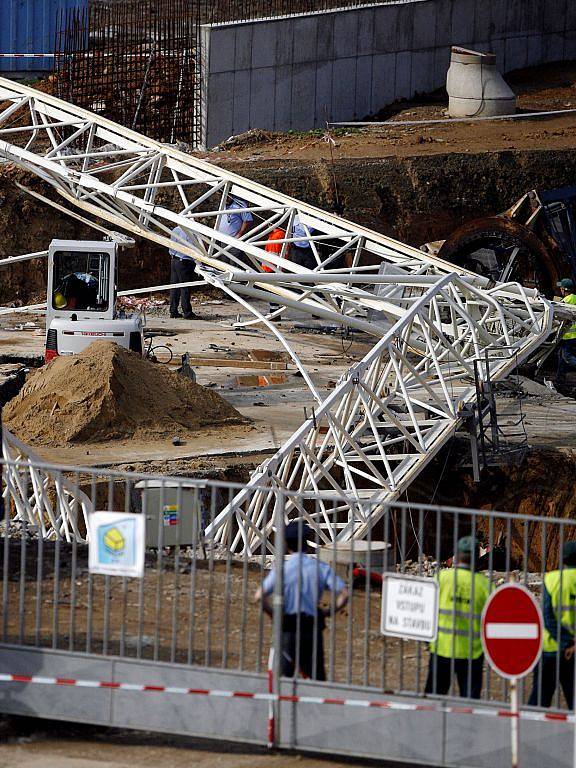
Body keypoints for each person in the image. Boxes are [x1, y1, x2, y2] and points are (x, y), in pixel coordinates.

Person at [254, 521, 348, 680]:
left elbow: (259, 596)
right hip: (311, 628)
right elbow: (344, 593)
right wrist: (327, 612)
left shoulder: (282, 569)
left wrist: (274, 612)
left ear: (286, 545)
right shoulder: (320, 568)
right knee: (315, 677)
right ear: (306, 543)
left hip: (288, 627)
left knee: (283, 678)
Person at [425, 536, 490, 699]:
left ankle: (428, 724)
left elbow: (426, 612)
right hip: (471, 654)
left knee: (434, 699)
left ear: (457, 555)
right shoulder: (485, 586)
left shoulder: (442, 579)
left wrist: (428, 641)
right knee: (469, 704)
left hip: (441, 649)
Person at [528, 541, 576, 709]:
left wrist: (565, 642)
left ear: (563, 559)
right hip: (573, 653)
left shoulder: (552, 579)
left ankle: (530, 730)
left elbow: (548, 617)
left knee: (539, 702)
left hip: (550, 650)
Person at [169, 226, 199, 319]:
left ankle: (173, 311)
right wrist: (199, 263)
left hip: (174, 259)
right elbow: (193, 249)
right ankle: (187, 312)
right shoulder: (190, 232)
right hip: (184, 261)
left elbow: (171, 244)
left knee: (174, 287)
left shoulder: (175, 229)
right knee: (185, 288)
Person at [217, 195, 253, 266]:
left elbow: (247, 220)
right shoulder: (222, 204)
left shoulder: (240, 204)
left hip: (234, 240)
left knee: (234, 263)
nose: (225, 199)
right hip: (223, 238)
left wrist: (240, 233)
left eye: (227, 197)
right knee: (224, 263)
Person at [556, 278, 576, 392]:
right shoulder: (575, 298)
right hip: (574, 336)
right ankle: (559, 379)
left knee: (567, 357)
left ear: (564, 289)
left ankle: (560, 379)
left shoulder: (564, 302)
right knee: (561, 356)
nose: (560, 290)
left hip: (568, 336)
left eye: (561, 288)